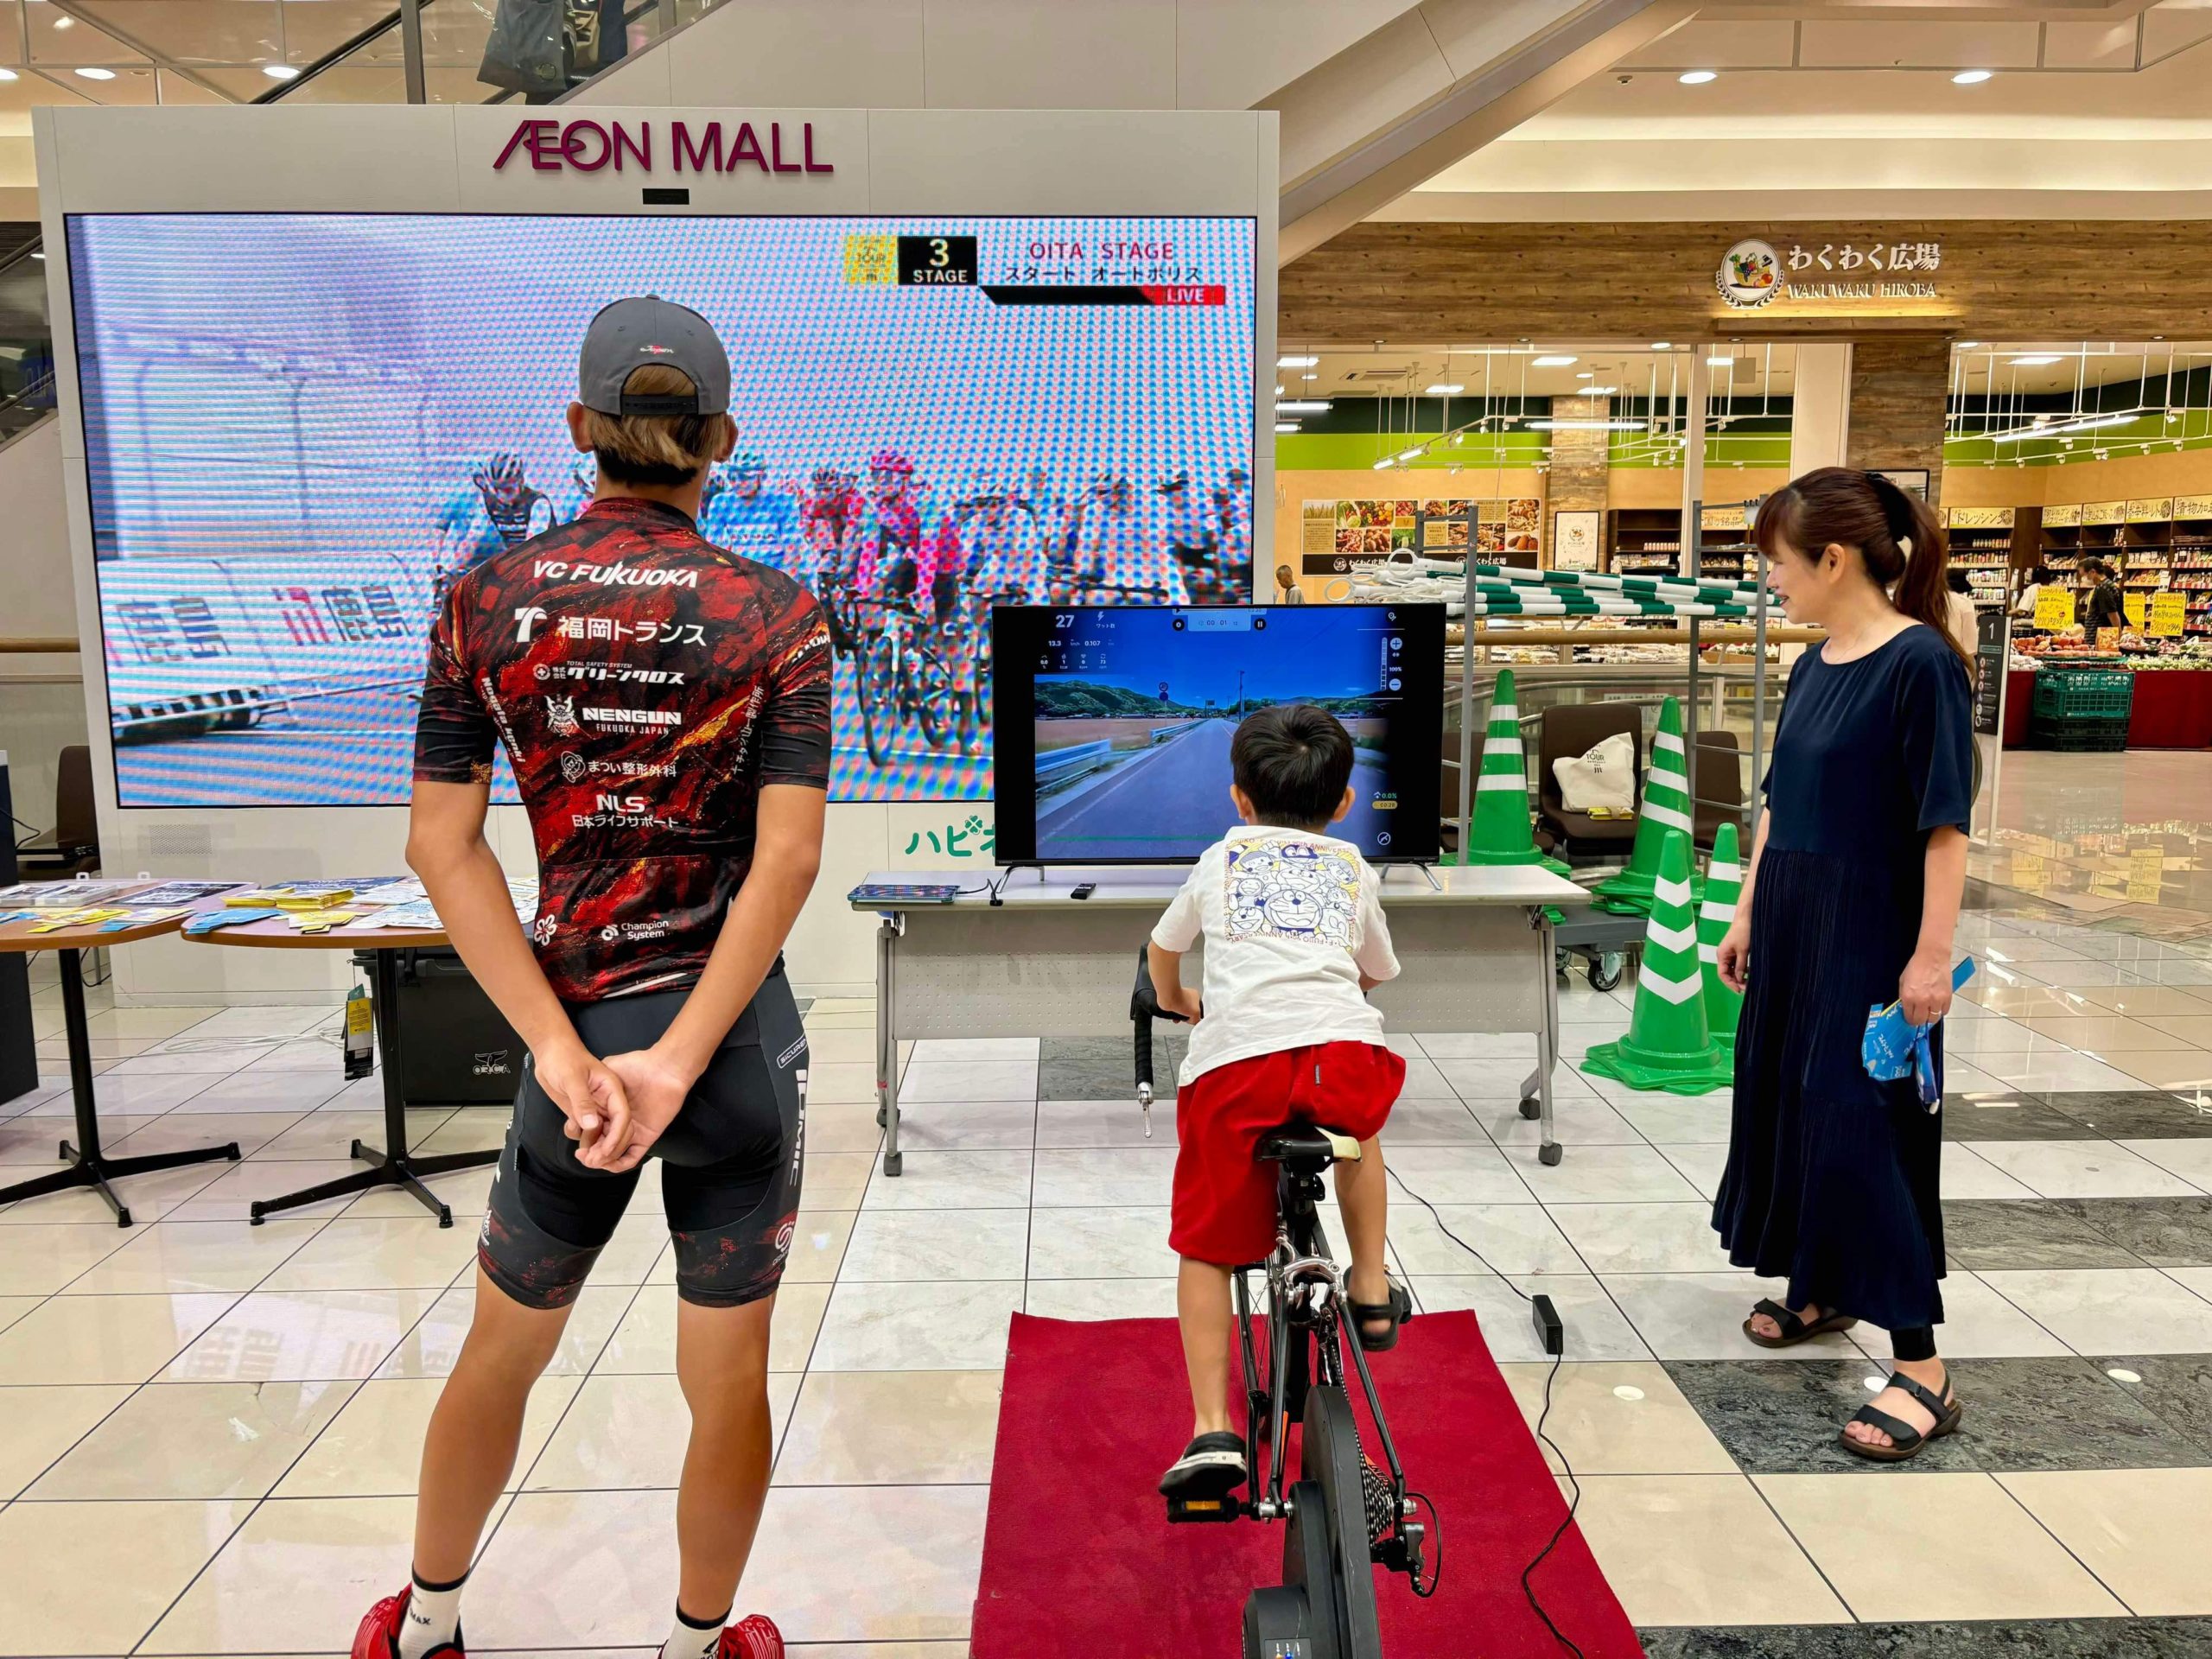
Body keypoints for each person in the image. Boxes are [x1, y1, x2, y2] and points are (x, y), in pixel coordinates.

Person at [359, 296, 832, 1659]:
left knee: (502, 1350)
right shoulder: (779, 614)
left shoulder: (482, 601)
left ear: (581, 428)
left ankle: (422, 1627)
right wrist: (677, 1062)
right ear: (720, 441)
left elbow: (441, 845)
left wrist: (563, 1054)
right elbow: (789, 861)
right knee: (726, 1377)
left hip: (570, 1052)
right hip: (728, 1055)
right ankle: (697, 1643)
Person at [1712, 466, 1974, 1464]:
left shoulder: (1922, 665)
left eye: (1777, 563)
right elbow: (1778, 802)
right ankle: (1821, 1286)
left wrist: (1930, 958)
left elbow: (1944, 825)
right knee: (1790, 1105)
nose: (1770, 581)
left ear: (1831, 559)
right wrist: (1746, 911)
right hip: (1793, 920)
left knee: (1866, 1128)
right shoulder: (1814, 664)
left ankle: (1923, 1368)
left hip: (1871, 931)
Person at [1147, 704, 1408, 1504]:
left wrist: (1179, 1001)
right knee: (1359, 1136)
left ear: (1239, 799)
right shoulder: (1353, 867)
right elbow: (1377, 970)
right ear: (1345, 802)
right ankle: (1371, 1287)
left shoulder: (1218, 860)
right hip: (1341, 1059)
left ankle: (1211, 1430)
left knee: (1206, 1241)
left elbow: (1163, 949)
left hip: (1238, 1069)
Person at [698, 451, 804, 578]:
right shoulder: (721, 503)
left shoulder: (782, 502)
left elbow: (792, 547)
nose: (737, 482)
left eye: (744, 477)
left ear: (762, 477)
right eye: (732, 477)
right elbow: (713, 545)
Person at [2082, 556, 2126, 642]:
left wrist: (2119, 634)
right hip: (2101, 637)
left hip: (2100, 639)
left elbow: (2112, 614)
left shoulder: (2103, 588)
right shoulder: (2107, 587)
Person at [1942, 567, 1980, 664]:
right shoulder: (1964, 603)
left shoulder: (1931, 602)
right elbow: (1971, 645)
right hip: (1958, 660)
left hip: (1936, 658)